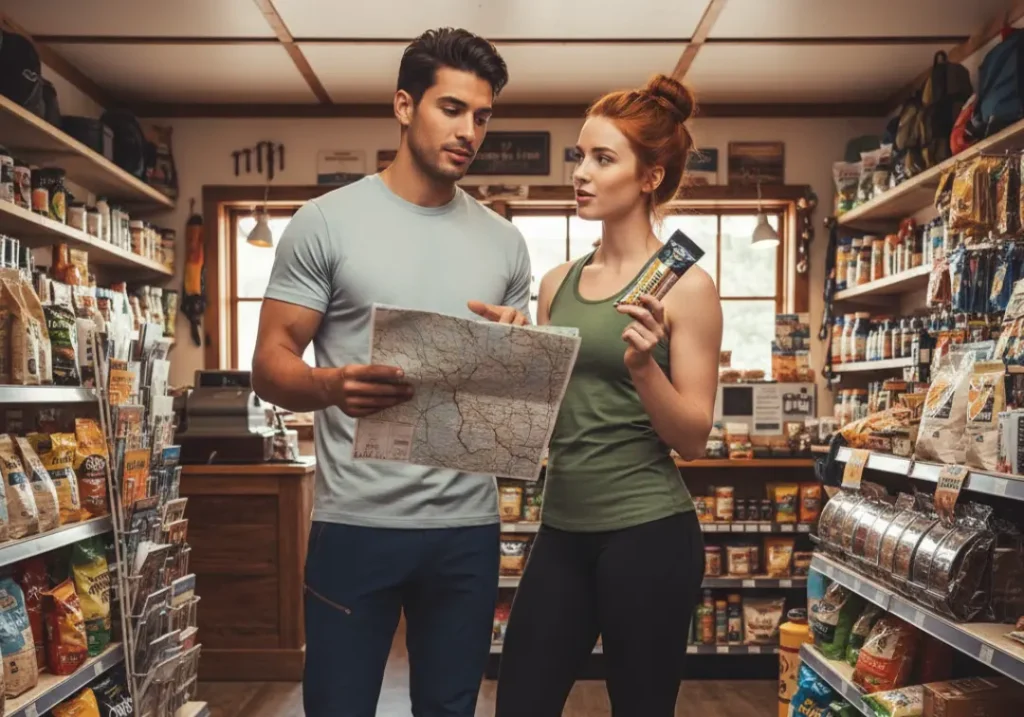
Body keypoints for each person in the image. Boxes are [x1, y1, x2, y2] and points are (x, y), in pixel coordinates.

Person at [250, 28, 531, 717]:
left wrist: (519, 355)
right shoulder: (325, 223)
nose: (470, 130)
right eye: (452, 108)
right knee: (338, 706)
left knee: (450, 707)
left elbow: (509, 397)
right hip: (356, 523)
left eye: (483, 116)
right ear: (404, 106)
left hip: (467, 528)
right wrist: (330, 385)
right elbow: (269, 363)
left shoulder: (505, 242)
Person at [495, 73, 723, 717]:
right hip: (560, 531)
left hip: (648, 535)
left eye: (603, 158)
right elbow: (544, 413)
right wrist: (507, 352)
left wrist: (645, 366)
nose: (582, 173)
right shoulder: (555, 283)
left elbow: (695, 440)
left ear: (650, 177)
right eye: (579, 156)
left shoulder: (687, 288)